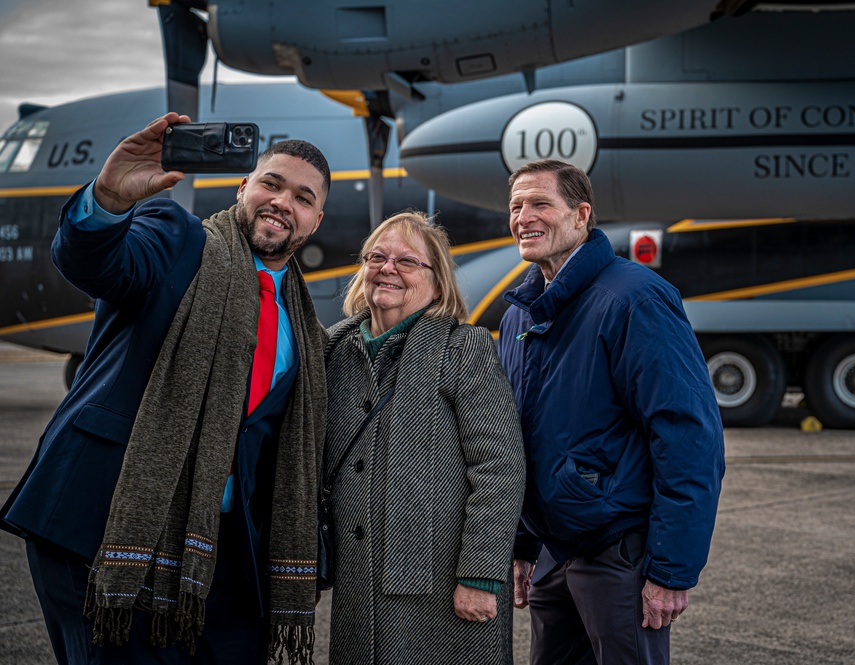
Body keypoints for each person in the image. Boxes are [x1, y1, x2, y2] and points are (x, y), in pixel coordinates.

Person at [0, 112, 329, 664]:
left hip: (218, 552)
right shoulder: (177, 239)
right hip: (106, 525)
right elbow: (93, 261)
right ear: (243, 186)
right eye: (271, 183)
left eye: (301, 196)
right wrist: (109, 197)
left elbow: (278, 449)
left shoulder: (307, 328)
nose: (281, 202)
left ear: (315, 220)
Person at [497, 159, 726, 664]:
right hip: (554, 551)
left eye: (539, 203)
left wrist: (670, 570)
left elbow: (688, 436)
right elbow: (512, 440)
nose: (523, 217)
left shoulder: (635, 299)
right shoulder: (519, 313)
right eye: (516, 206)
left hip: (618, 551)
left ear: (581, 215)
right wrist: (522, 544)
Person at [322, 210, 526, 664]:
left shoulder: (463, 348)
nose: (388, 268)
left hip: (442, 582)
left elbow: (499, 467)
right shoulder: (334, 349)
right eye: (378, 256)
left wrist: (480, 574)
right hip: (357, 578)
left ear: (437, 283)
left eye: (408, 261)